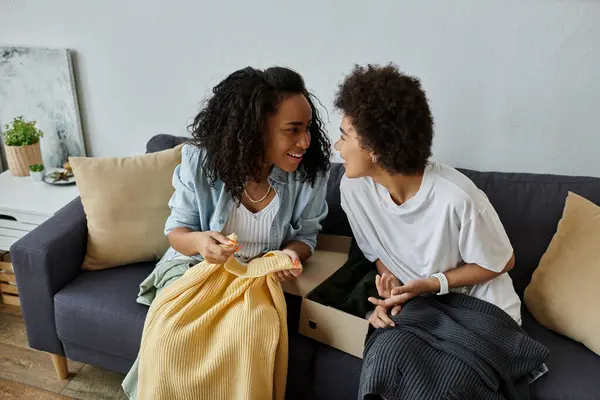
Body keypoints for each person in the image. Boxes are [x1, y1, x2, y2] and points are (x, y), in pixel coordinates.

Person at [122, 66, 331, 399]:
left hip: (259, 276)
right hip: (196, 267)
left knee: (251, 333)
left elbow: (306, 237)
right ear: (255, 129)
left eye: (307, 128)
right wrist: (201, 242)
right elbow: (176, 233)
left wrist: (291, 253)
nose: (305, 141)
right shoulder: (200, 163)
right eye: (292, 130)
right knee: (169, 335)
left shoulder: (309, 176)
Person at [333, 63, 522, 329]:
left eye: (344, 136)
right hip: (424, 307)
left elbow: (502, 261)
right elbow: (379, 254)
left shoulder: (457, 197)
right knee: (385, 354)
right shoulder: (353, 190)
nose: (337, 146)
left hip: (483, 312)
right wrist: (394, 291)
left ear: (374, 146)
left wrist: (433, 284)